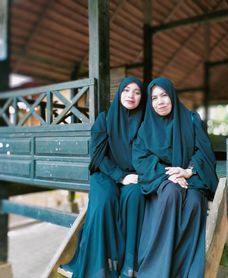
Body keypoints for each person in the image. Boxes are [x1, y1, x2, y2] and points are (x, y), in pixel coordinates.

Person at [132, 77, 218, 278]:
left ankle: (181, 271)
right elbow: (141, 158)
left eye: (164, 95)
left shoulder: (191, 119)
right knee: (171, 194)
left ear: (172, 95)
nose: (159, 102)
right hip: (161, 181)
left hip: (191, 178)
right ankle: (156, 271)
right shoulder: (146, 128)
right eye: (154, 98)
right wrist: (168, 174)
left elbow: (204, 151)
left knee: (195, 203)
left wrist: (188, 170)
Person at [60, 77, 146, 278]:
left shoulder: (145, 123)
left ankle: (128, 265)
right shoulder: (105, 119)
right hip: (105, 173)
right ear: (119, 94)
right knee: (105, 202)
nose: (131, 96)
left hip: (132, 176)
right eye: (126, 90)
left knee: (134, 195)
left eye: (137, 92)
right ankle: (99, 268)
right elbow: (98, 155)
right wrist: (120, 176)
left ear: (142, 97)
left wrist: (134, 176)